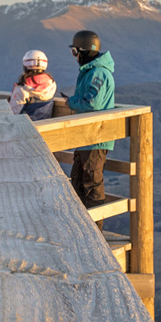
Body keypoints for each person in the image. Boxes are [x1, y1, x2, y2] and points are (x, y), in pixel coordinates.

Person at [66, 30, 115, 209]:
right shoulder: (90, 72)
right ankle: (81, 231)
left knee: (92, 186)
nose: (75, 56)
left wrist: (70, 102)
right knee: (78, 183)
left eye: (75, 51)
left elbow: (91, 103)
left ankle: (95, 233)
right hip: (86, 138)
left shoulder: (98, 73)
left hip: (95, 139)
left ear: (84, 50)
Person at [9, 49, 57, 120]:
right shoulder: (52, 84)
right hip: (44, 125)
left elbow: (13, 112)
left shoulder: (22, 88)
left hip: (25, 127)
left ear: (25, 66)